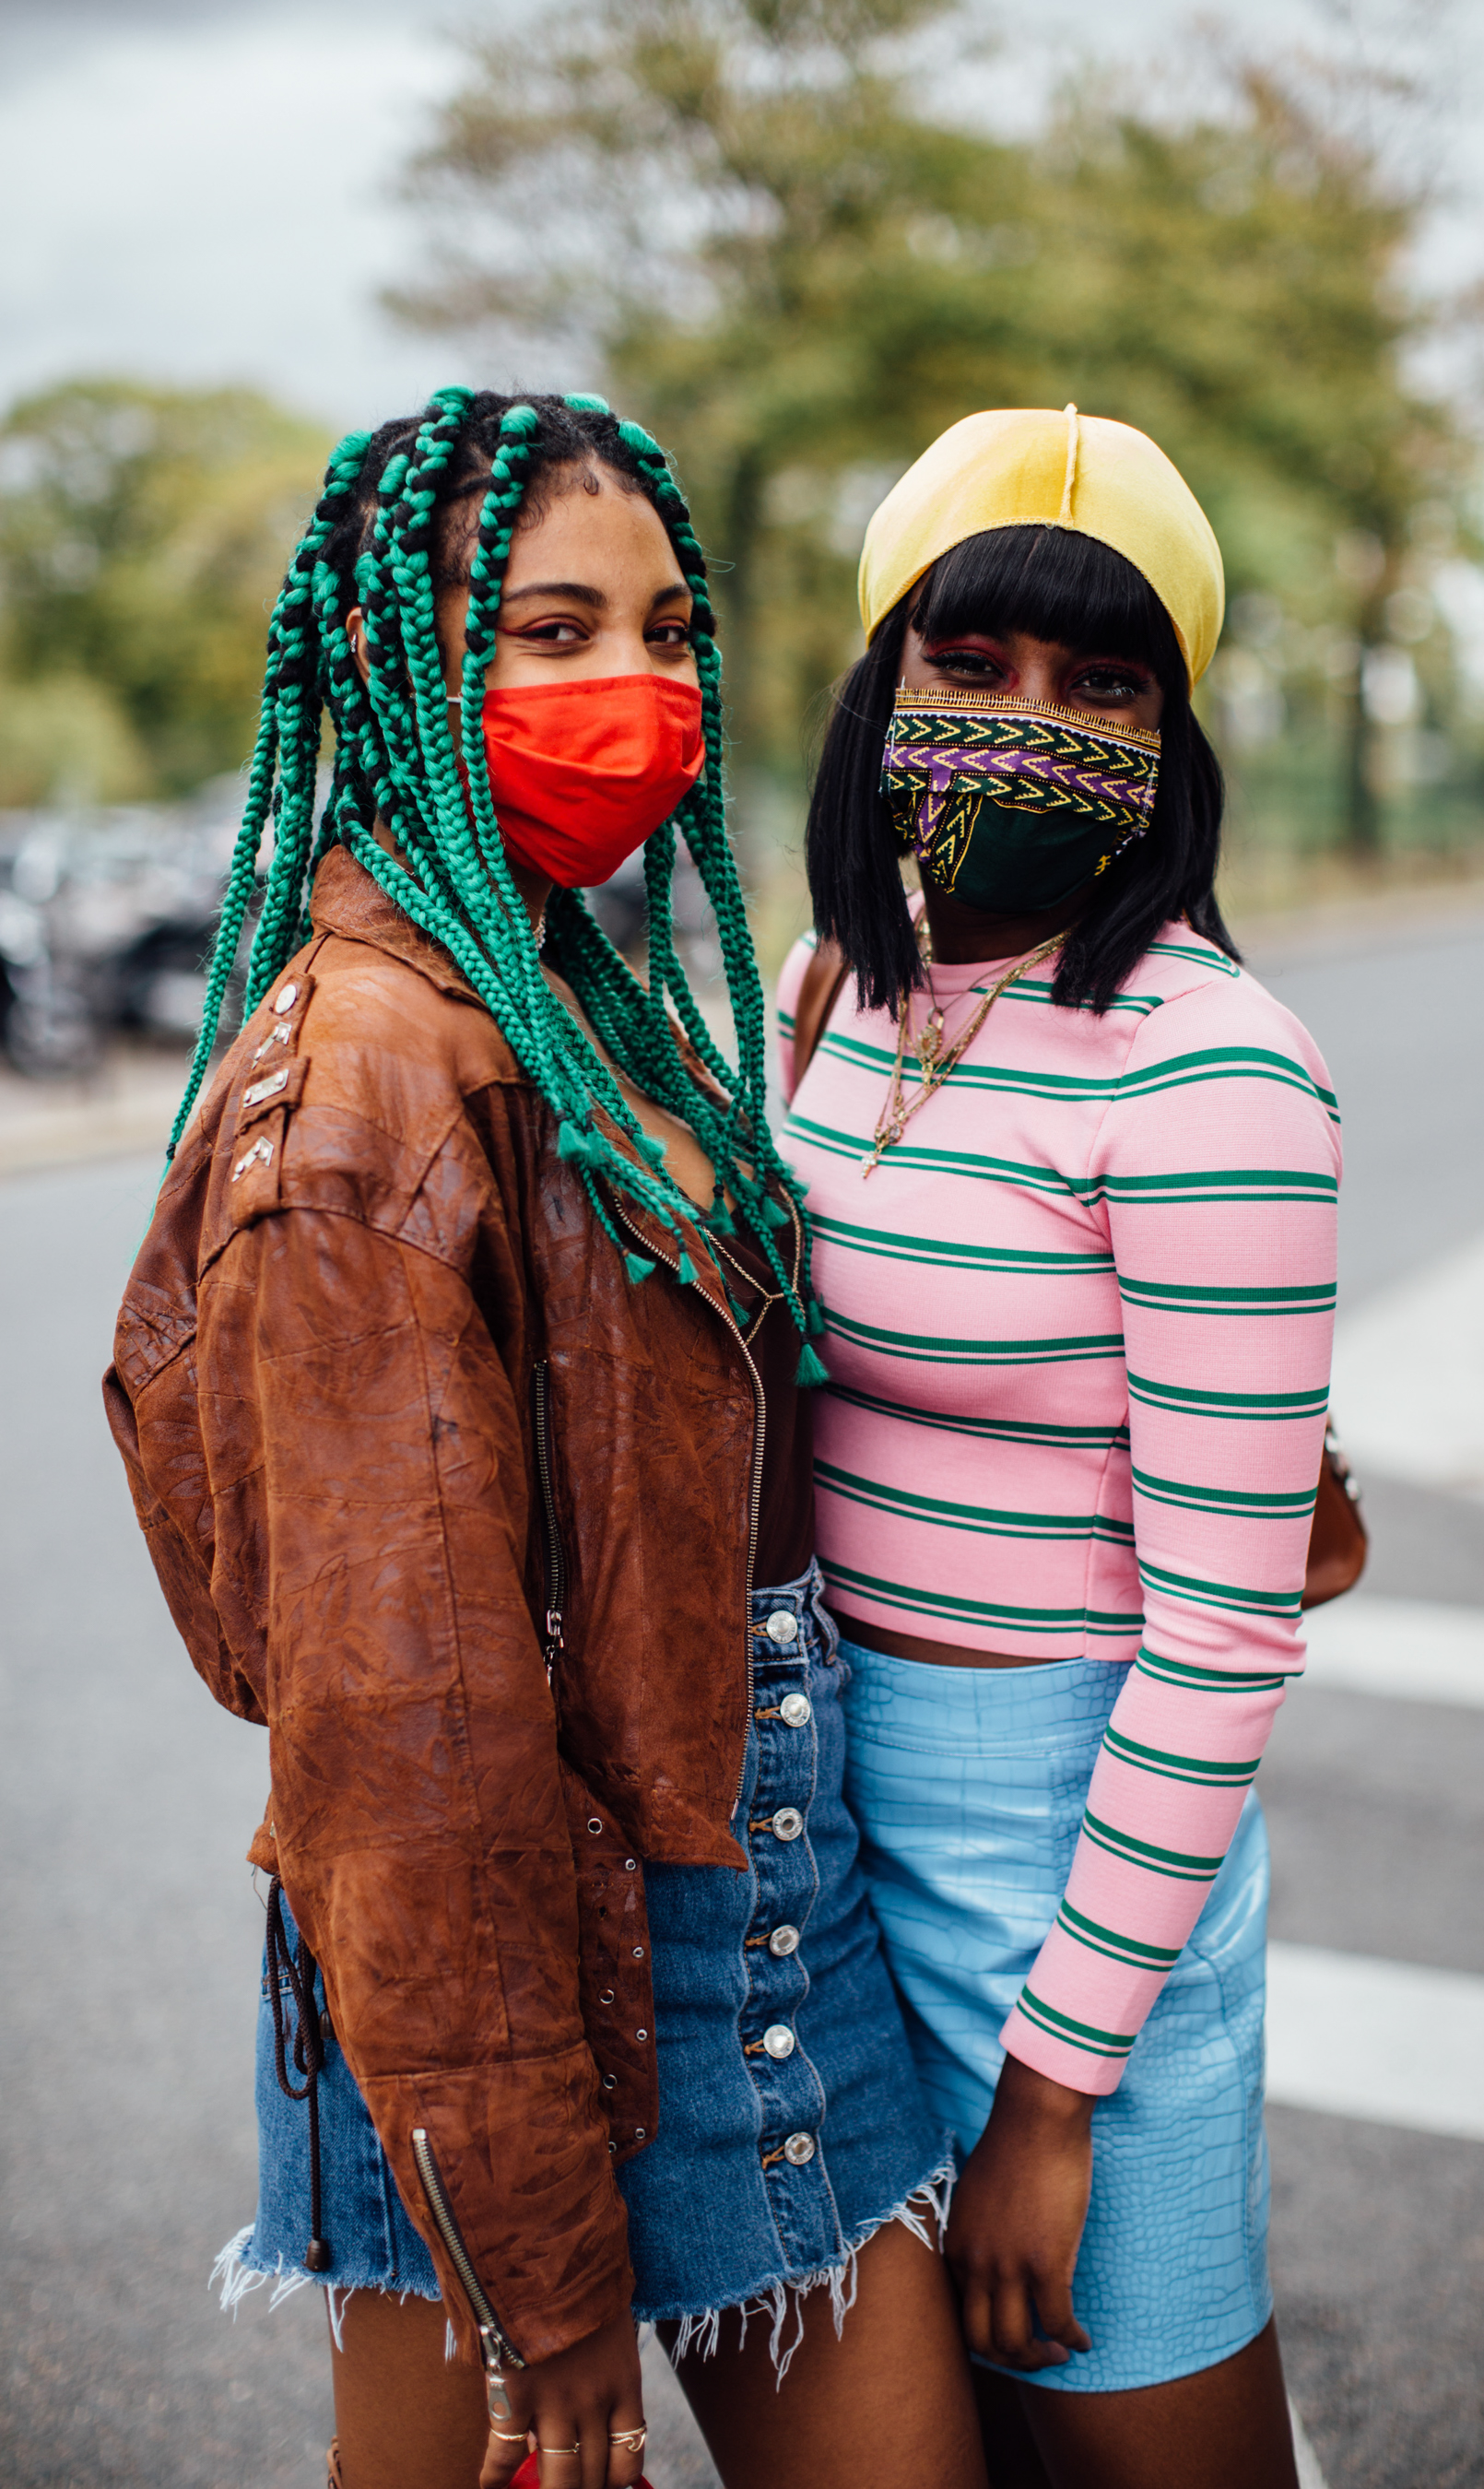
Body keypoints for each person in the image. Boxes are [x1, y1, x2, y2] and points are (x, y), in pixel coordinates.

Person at [104, 389, 987, 2489]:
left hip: (762, 1900)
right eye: (552, 631)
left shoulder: (558, 994)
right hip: (517, 1980)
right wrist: (538, 2275)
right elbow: (405, 1742)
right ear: (408, 670)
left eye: (671, 630)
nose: (640, 689)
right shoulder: (363, 1096)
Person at [777, 406, 1340, 2489]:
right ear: (883, 688)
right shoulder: (834, 996)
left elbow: (1222, 1643)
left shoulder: (1221, 1076)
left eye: (1104, 683)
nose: (1033, 723)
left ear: (1174, 743)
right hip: (825, 1869)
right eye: (975, 664)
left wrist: (1056, 2095)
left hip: (1070, 1888)